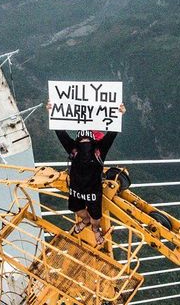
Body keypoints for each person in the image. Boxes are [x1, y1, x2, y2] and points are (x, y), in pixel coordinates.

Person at [48, 104, 124, 246]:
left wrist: (119, 114)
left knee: (96, 215)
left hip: (91, 189)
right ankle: (87, 221)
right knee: (77, 208)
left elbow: (112, 133)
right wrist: (53, 111)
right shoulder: (76, 148)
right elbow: (60, 133)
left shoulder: (98, 149)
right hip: (77, 187)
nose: (84, 143)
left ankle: (95, 228)